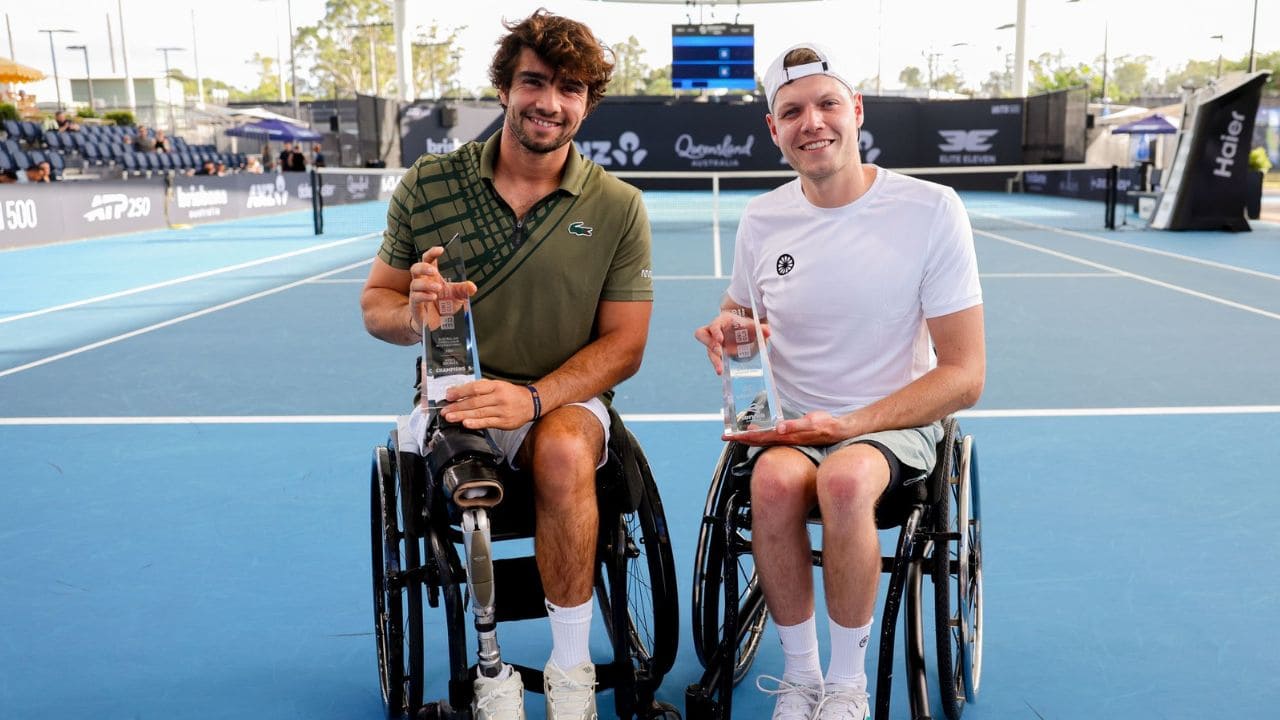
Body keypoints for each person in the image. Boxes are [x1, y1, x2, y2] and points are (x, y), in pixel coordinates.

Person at [359, 10, 650, 720]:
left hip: (563, 399)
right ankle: (492, 674)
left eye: (570, 88)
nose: (549, 102)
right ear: (504, 89)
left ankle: (572, 672)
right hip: (456, 398)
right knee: (469, 487)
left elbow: (624, 347)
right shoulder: (430, 183)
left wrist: (534, 399)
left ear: (588, 103)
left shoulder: (618, 206)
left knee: (564, 452)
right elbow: (376, 305)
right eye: (534, 82)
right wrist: (415, 314)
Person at [693, 43, 985, 720]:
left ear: (856, 110)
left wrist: (850, 425)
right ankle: (801, 677)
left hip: (891, 420)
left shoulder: (932, 209)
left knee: (846, 481)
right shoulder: (763, 218)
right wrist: (729, 328)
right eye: (792, 111)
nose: (812, 122)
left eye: (827, 104)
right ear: (774, 128)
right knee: (771, 484)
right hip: (793, 415)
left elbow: (965, 375)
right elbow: (740, 310)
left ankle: (847, 684)